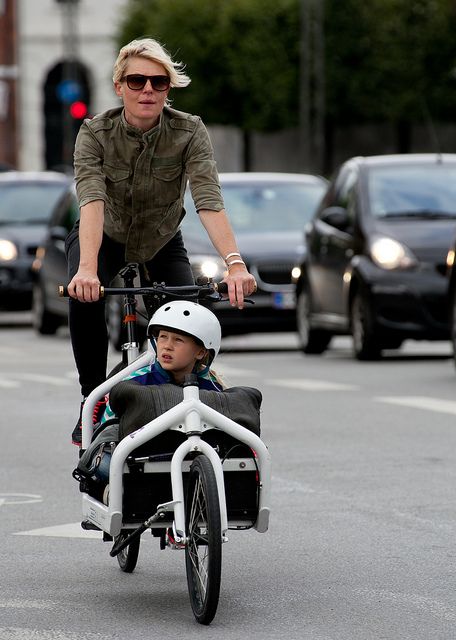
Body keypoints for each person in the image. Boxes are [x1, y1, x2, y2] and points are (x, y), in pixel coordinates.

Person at [66, 37, 257, 445]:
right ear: (119, 86)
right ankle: (91, 400)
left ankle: (189, 399)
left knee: (186, 317)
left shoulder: (190, 131)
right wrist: (87, 269)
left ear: (169, 87)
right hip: (102, 238)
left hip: (161, 240)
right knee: (83, 299)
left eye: (158, 81)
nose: (147, 90)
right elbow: (92, 200)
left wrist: (235, 263)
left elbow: (207, 198)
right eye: (136, 81)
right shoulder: (94, 133)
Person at [100, 300, 224, 425]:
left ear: (200, 352)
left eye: (178, 340)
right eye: (163, 337)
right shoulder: (135, 381)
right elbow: (107, 428)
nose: (167, 346)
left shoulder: (213, 388)